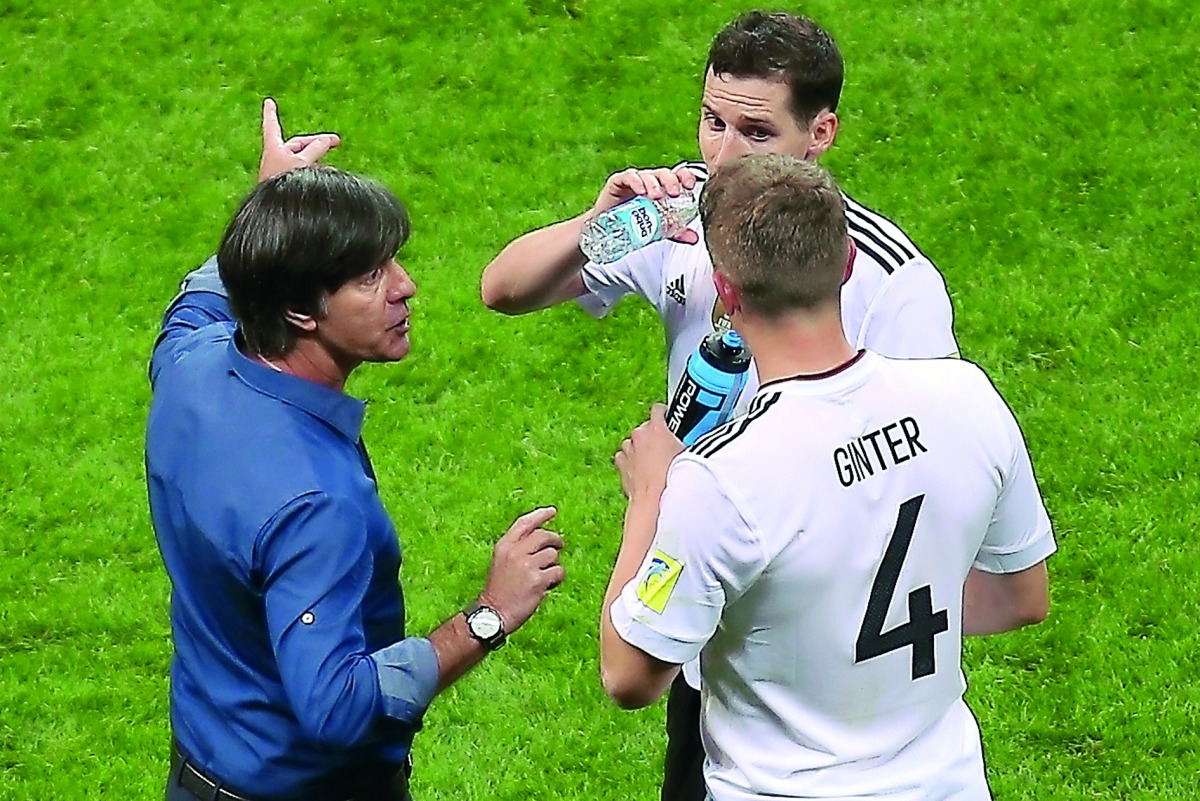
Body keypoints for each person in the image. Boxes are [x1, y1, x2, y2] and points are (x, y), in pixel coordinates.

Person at [480, 11, 959, 799]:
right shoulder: (675, 219)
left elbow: (918, 462)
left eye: (757, 132)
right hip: (704, 579)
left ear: (821, 132)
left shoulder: (890, 279)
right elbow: (505, 290)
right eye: (713, 121)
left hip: (819, 617)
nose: (724, 154)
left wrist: (662, 488)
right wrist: (595, 224)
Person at [599, 153, 1054, 801]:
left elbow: (629, 674)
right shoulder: (967, 398)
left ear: (725, 292)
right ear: (846, 265)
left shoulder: (723, 478)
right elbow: (1020, 597)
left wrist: (650, 495)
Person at [146, 99, 565, 801]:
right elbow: (337, 706)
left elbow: (206, 291)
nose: (405, 286)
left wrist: (273, 199)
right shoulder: (315, 503)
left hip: (198, 775)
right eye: (369, 276)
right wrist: (488, 614)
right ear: (302, 311)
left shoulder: (187, 361)